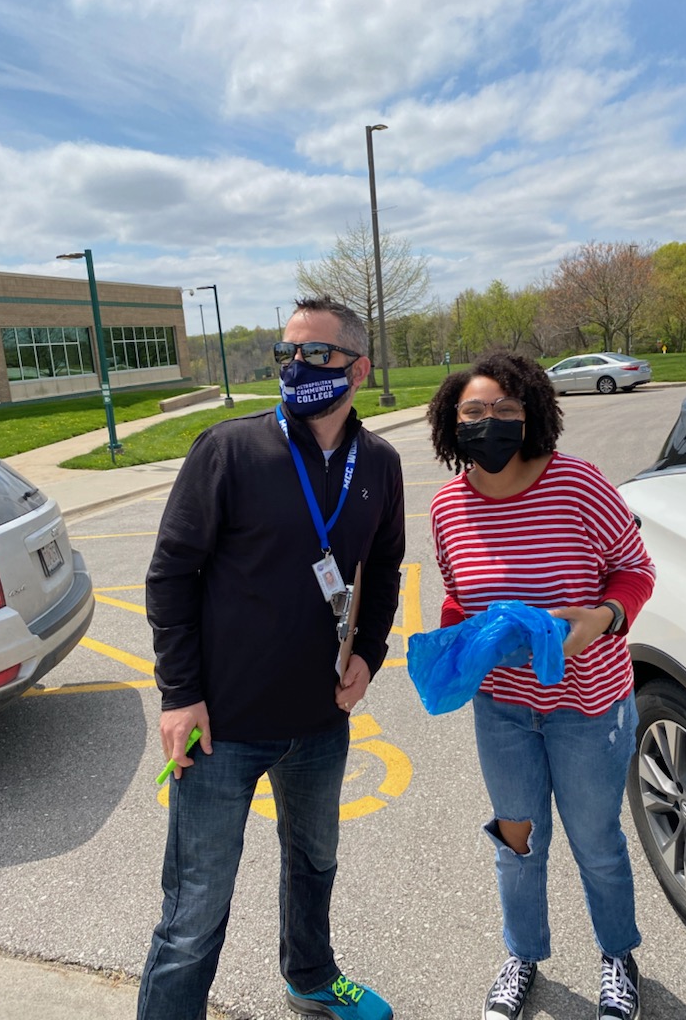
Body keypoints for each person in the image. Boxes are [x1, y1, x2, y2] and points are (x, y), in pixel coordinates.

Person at [138, 296, 405, 1020]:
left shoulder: (378, 463)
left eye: (316, 354)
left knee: (314, 865)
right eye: (288, 354)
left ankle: (311, 976)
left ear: (359, 369)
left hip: (321, 721)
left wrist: (370, 654)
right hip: (220, 725)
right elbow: (169, 575)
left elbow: (383, 568)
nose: (297, 366)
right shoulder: (228, 449)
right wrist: (179, 694)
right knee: (195, 909)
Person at [426, 351, 655, 1020]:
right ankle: (522, 955)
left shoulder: (578, 484)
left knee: (597, 843)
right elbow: (457, 601)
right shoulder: (447, 508)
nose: (488, 422)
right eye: (474, 412)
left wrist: (604, 617)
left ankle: (617, 956)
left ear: (532, 415)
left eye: (504, 410)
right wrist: (454, 648)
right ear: (450, 420)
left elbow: (634, 570)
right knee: (517, 840)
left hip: (589, 704)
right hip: (502, 711)